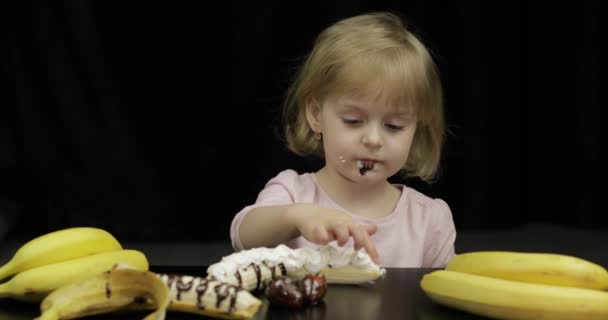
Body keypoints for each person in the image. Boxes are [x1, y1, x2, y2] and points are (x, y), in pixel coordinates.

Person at [230, 12, 456, 268]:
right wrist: (296, 217)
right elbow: (243, 235)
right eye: (353, 120)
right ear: (316, 115)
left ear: (417, 127)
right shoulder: (292, 193)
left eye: (394, 126)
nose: (373, 139)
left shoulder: (429, 219)